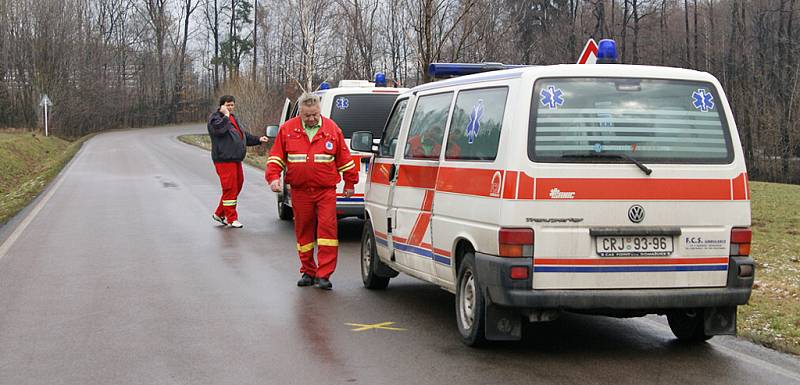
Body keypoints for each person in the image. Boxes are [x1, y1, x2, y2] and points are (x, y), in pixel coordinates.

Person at [266, 93, 358, 290]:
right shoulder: (288, 129)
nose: (311, 119)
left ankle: (324, 275)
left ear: (319, 111)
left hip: (325, 191)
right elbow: (276, 157)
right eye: (307, 115)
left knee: (327, 231)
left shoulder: (332, 129)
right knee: (303, 231)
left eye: (315, 115)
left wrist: (350, 183)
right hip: (300, 191)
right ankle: (308, 271)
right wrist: (273, 178)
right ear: (300, 112)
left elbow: (344, 158)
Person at [207, 95, 269, 228]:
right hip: (224, 159)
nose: (230, 107)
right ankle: (231, 218)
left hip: (235, 158)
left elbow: (242, 135)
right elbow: (219, 130)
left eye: (232, 105)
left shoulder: (233, 118)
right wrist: (226, 116)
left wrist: (258, 140)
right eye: (228, 105)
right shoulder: (216, 118)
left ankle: (219, 213)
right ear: (222, 106)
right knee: (230, 188)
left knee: (238, 184)